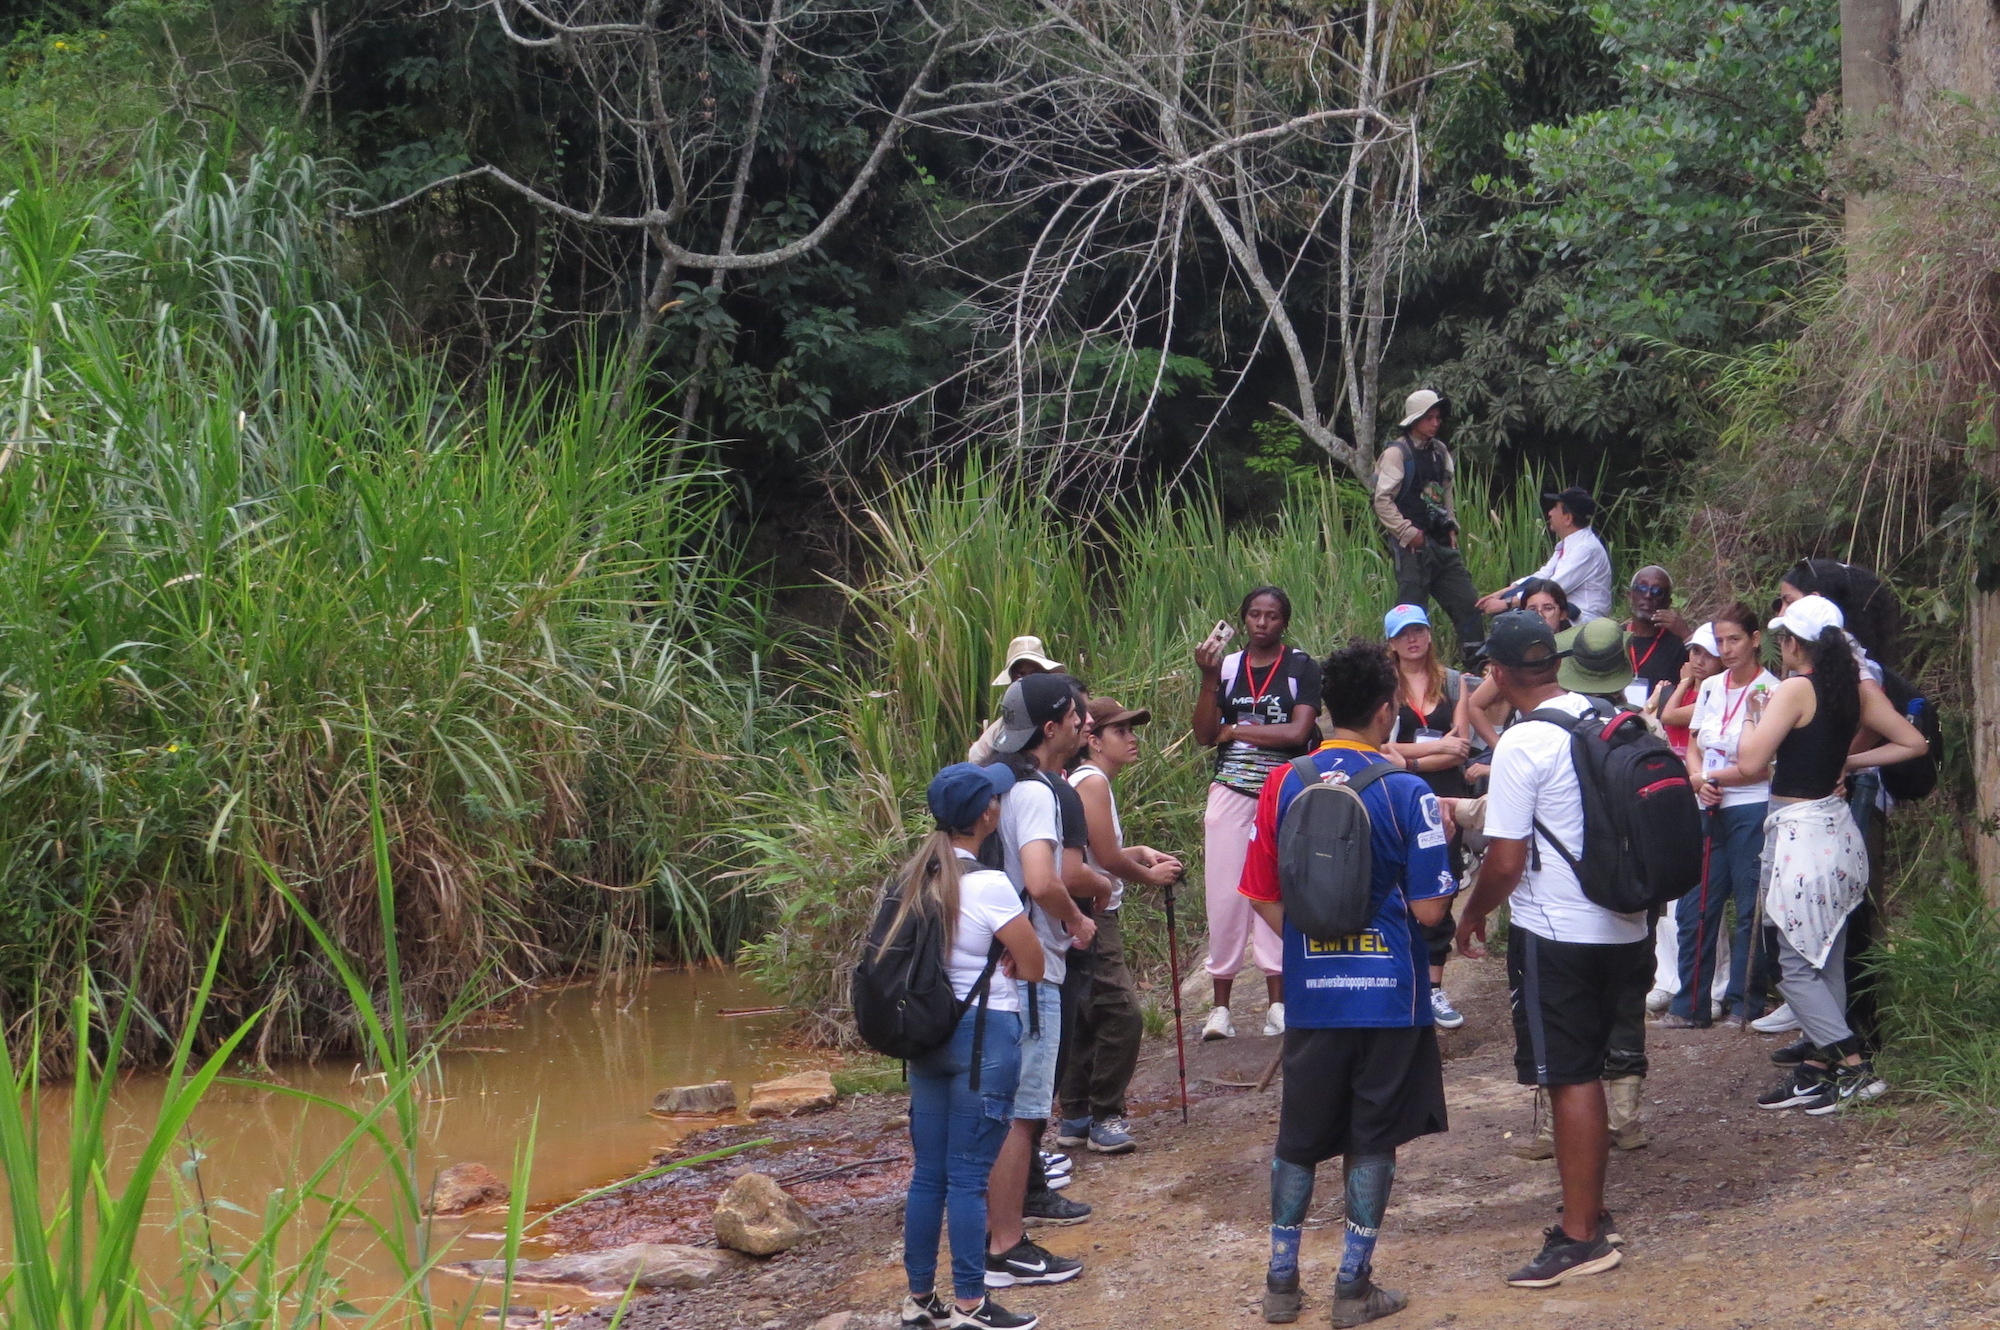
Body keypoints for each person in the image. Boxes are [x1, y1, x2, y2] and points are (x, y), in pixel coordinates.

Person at [1238, 641, 1456, 1327]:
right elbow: (1428, 911)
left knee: (1298, 1137)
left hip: (1312, 991)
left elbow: (1261, 892)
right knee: (1373, 1138)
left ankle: (1280, 1283)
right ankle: (1353, 1286)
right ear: (1388, 708)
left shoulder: (1286, 781)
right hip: (1390, 994)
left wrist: (1312, 937)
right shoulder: (1407, 790)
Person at [1454, 610, 1642, 1287]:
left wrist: (1470, 916)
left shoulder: (1523, 744)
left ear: (1499, 676)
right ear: (1554, 664)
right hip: (1626, 923)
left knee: (1570, 1076)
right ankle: (1590, 1208)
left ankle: (1580, 1237)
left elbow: (1505, 861)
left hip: (1559, 932)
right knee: (1589, 1067)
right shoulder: (1602, 716)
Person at [1720, 596, 1926, 1114]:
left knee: (1791, 965)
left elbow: (1749, 762)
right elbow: (1912, 742)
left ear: (1794, 644)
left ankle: (1856, 1068)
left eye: (1780, 638)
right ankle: (1817, 1069)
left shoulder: (1794, 689)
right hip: (1837, 835)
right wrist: (1849, 761)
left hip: (1800, 839)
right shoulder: (1857, 690)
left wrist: (1752, 717)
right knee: (1825, 951)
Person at [899, 763, 1048, 1330]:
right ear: (986, 814)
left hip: (928, 1039)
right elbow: (1032, 964)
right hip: (984, 1038)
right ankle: (970, 1303)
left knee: (928, 1176)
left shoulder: (916, 878)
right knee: (966, 1178)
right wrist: (1009, 955)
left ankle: (919, 1302)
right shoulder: (987, 884)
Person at [983, 672, 1096, 1291]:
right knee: (1022, 1116)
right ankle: (1003, 1247)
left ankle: (995, 1241)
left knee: (1006, 1113)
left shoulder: (999, 782)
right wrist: (1078, 922)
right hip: (1031, 969)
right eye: (1075, 718)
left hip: (998, 962)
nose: (1085, 724)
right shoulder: (1036, 792)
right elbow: (1044, 879)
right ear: (1050, 729)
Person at [1192, 586, 1323, 1040]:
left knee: (1275, 888)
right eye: (1253, 615)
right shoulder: (1227, 668)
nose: (1261, 623)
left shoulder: (1300, 667)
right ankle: (1220, 1010)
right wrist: (1208, 680)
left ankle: (1278, 1004)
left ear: (1284, 622)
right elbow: (1206, 735)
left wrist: (1239, 729)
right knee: (1224, 894)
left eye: (1271, 616)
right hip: (1231, 788)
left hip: (1283, 789)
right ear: (1243, 619)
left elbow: (1300, 731)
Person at [1056, 698, 1182, 1156]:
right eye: (1121, 731)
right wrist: (1149, 875)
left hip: (1082, 905)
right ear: (1093, 740)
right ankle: (1105, 1114)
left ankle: (1075, 1115)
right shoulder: (1092, 783)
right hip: (1094, 909)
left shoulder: (1087, 781)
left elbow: (1097, 852)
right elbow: (1105, 861)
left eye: (1132, 730)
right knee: (1123, 1013)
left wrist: (1141, 851)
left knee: (1088, 1014)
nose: (1132, 739)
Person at [1660, 604, 1779, 1031]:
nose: (1726, 649)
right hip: (1707, 802)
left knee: (1748, 906)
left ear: (1754, 639)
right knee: (1696, 905)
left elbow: (1766, 763)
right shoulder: (1710, 687)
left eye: (1734, 640)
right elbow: (1693, 741)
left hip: (1751, 803)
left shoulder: (1772, 690)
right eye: (1720, 641)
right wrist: (1696, 776)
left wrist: (1711, 775)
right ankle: (1689, 1004)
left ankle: (1746, 1003)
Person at [1382, 604, 1472, 1032]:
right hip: (1401, 799)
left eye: (1417, 631)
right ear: (1391, 644)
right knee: (1399, 886)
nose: (1412, 640)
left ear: (1430, 635)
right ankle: (1403, 979)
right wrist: (1427, 758)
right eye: (1402, 634)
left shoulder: (1453, 682)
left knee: (1442, 885)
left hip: (1448, 799)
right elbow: (1382, 749)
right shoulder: (1385, 688)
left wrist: (1410, 759)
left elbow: (1462, 746)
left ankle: (1434, 985)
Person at [1371, 390, 1484, 664]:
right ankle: (1403, 673)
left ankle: (1478, 664)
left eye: (1437, 417)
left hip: (1441, 541)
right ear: (1414, 420)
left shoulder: (1439, 450)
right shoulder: (1397, 454)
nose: (1435, 423)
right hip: (1411, 546)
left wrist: (1451, 524)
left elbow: (1446, 489)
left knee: (1468, 604)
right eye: (1429, 418)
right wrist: (1408, 533)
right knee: (1410, 616)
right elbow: (1382, 500)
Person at [1477, 488, 1613, 624]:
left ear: (1568, 518)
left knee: (1513, 620)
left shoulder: (1585, 548)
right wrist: (1502, 593)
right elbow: (1542, 576)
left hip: (1580, 617)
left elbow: (1552, 590)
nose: (1550, 513)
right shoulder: (1572, 542)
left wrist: (1505, 603)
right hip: (1557, 610)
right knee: (1514, 610)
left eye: (1555, 508)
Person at [970, 636, 1066, 764]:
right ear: (1011, 679)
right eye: (1020, 674)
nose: (1027, 679)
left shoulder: (1063, 713)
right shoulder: (1001, 729)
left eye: (1034, 672)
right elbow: (976, 757)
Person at [1620, 566, 1691, 711]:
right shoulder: (1614, 636)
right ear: (1630, 595)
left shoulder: (1678, 643)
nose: (1647, 595)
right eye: (1641, 587)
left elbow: (1710, 670)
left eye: (1657, 591)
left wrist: (1686, 634)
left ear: (1668, 603)